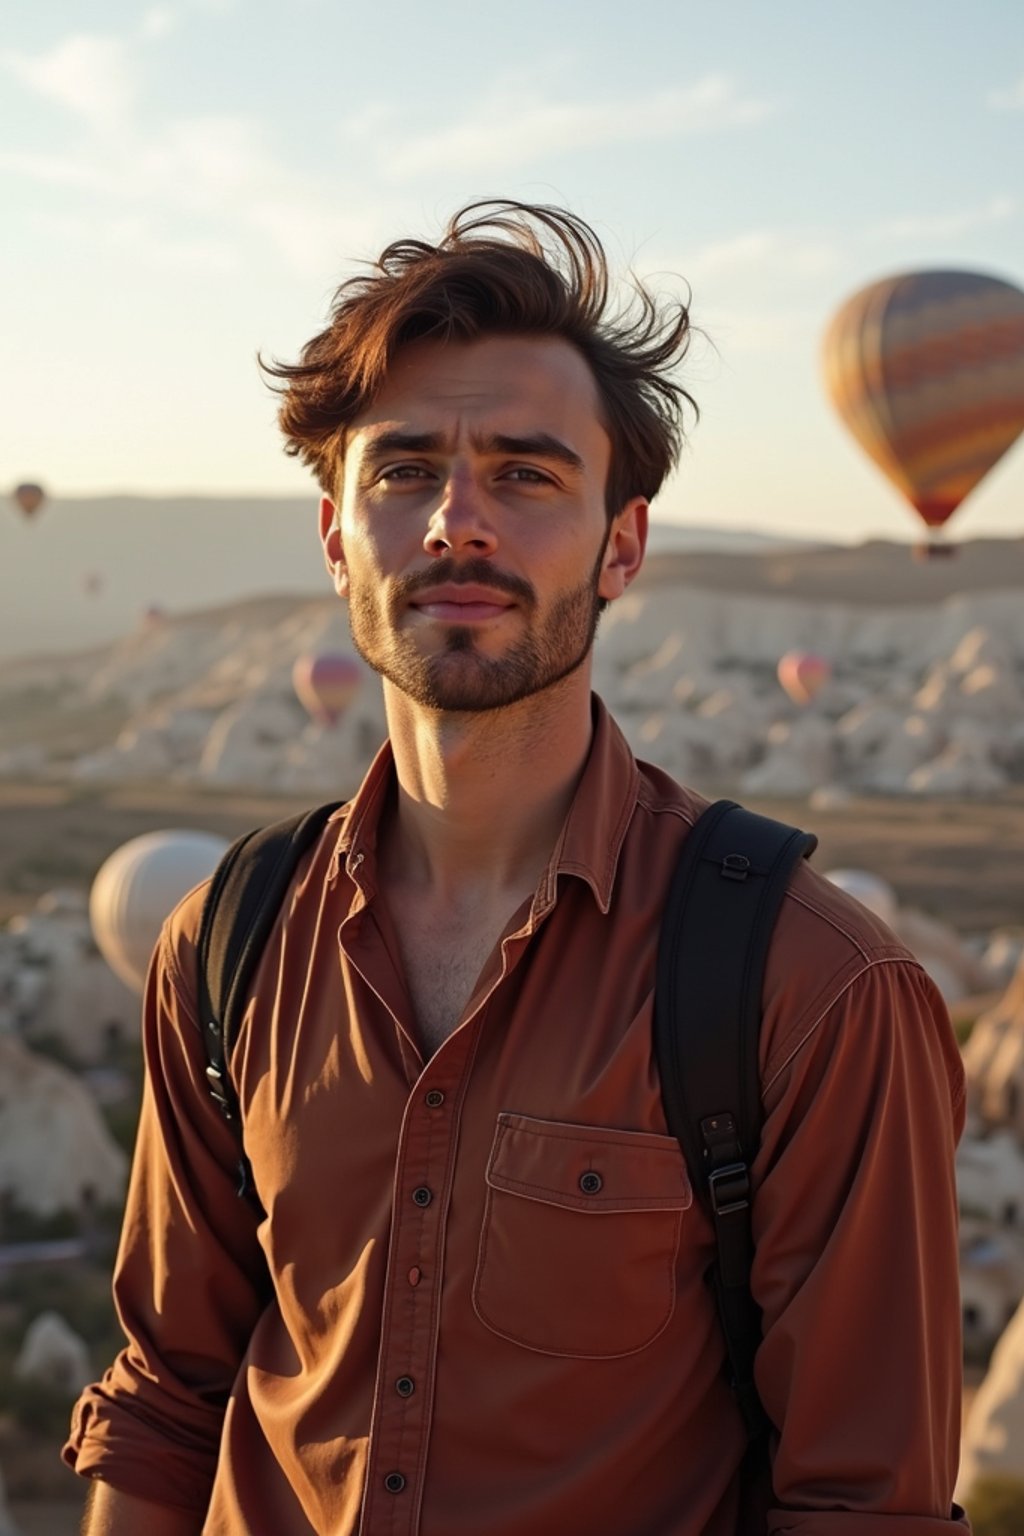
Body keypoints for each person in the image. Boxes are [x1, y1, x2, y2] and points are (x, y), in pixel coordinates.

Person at [65, 201, 969, 1535]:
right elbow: (166, 1404)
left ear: (624, 546)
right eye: (405, 471)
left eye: (529, 475)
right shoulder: (233, 936)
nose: (456, 522)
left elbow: (863, 1506)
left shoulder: (811, 987)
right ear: (334, 538)